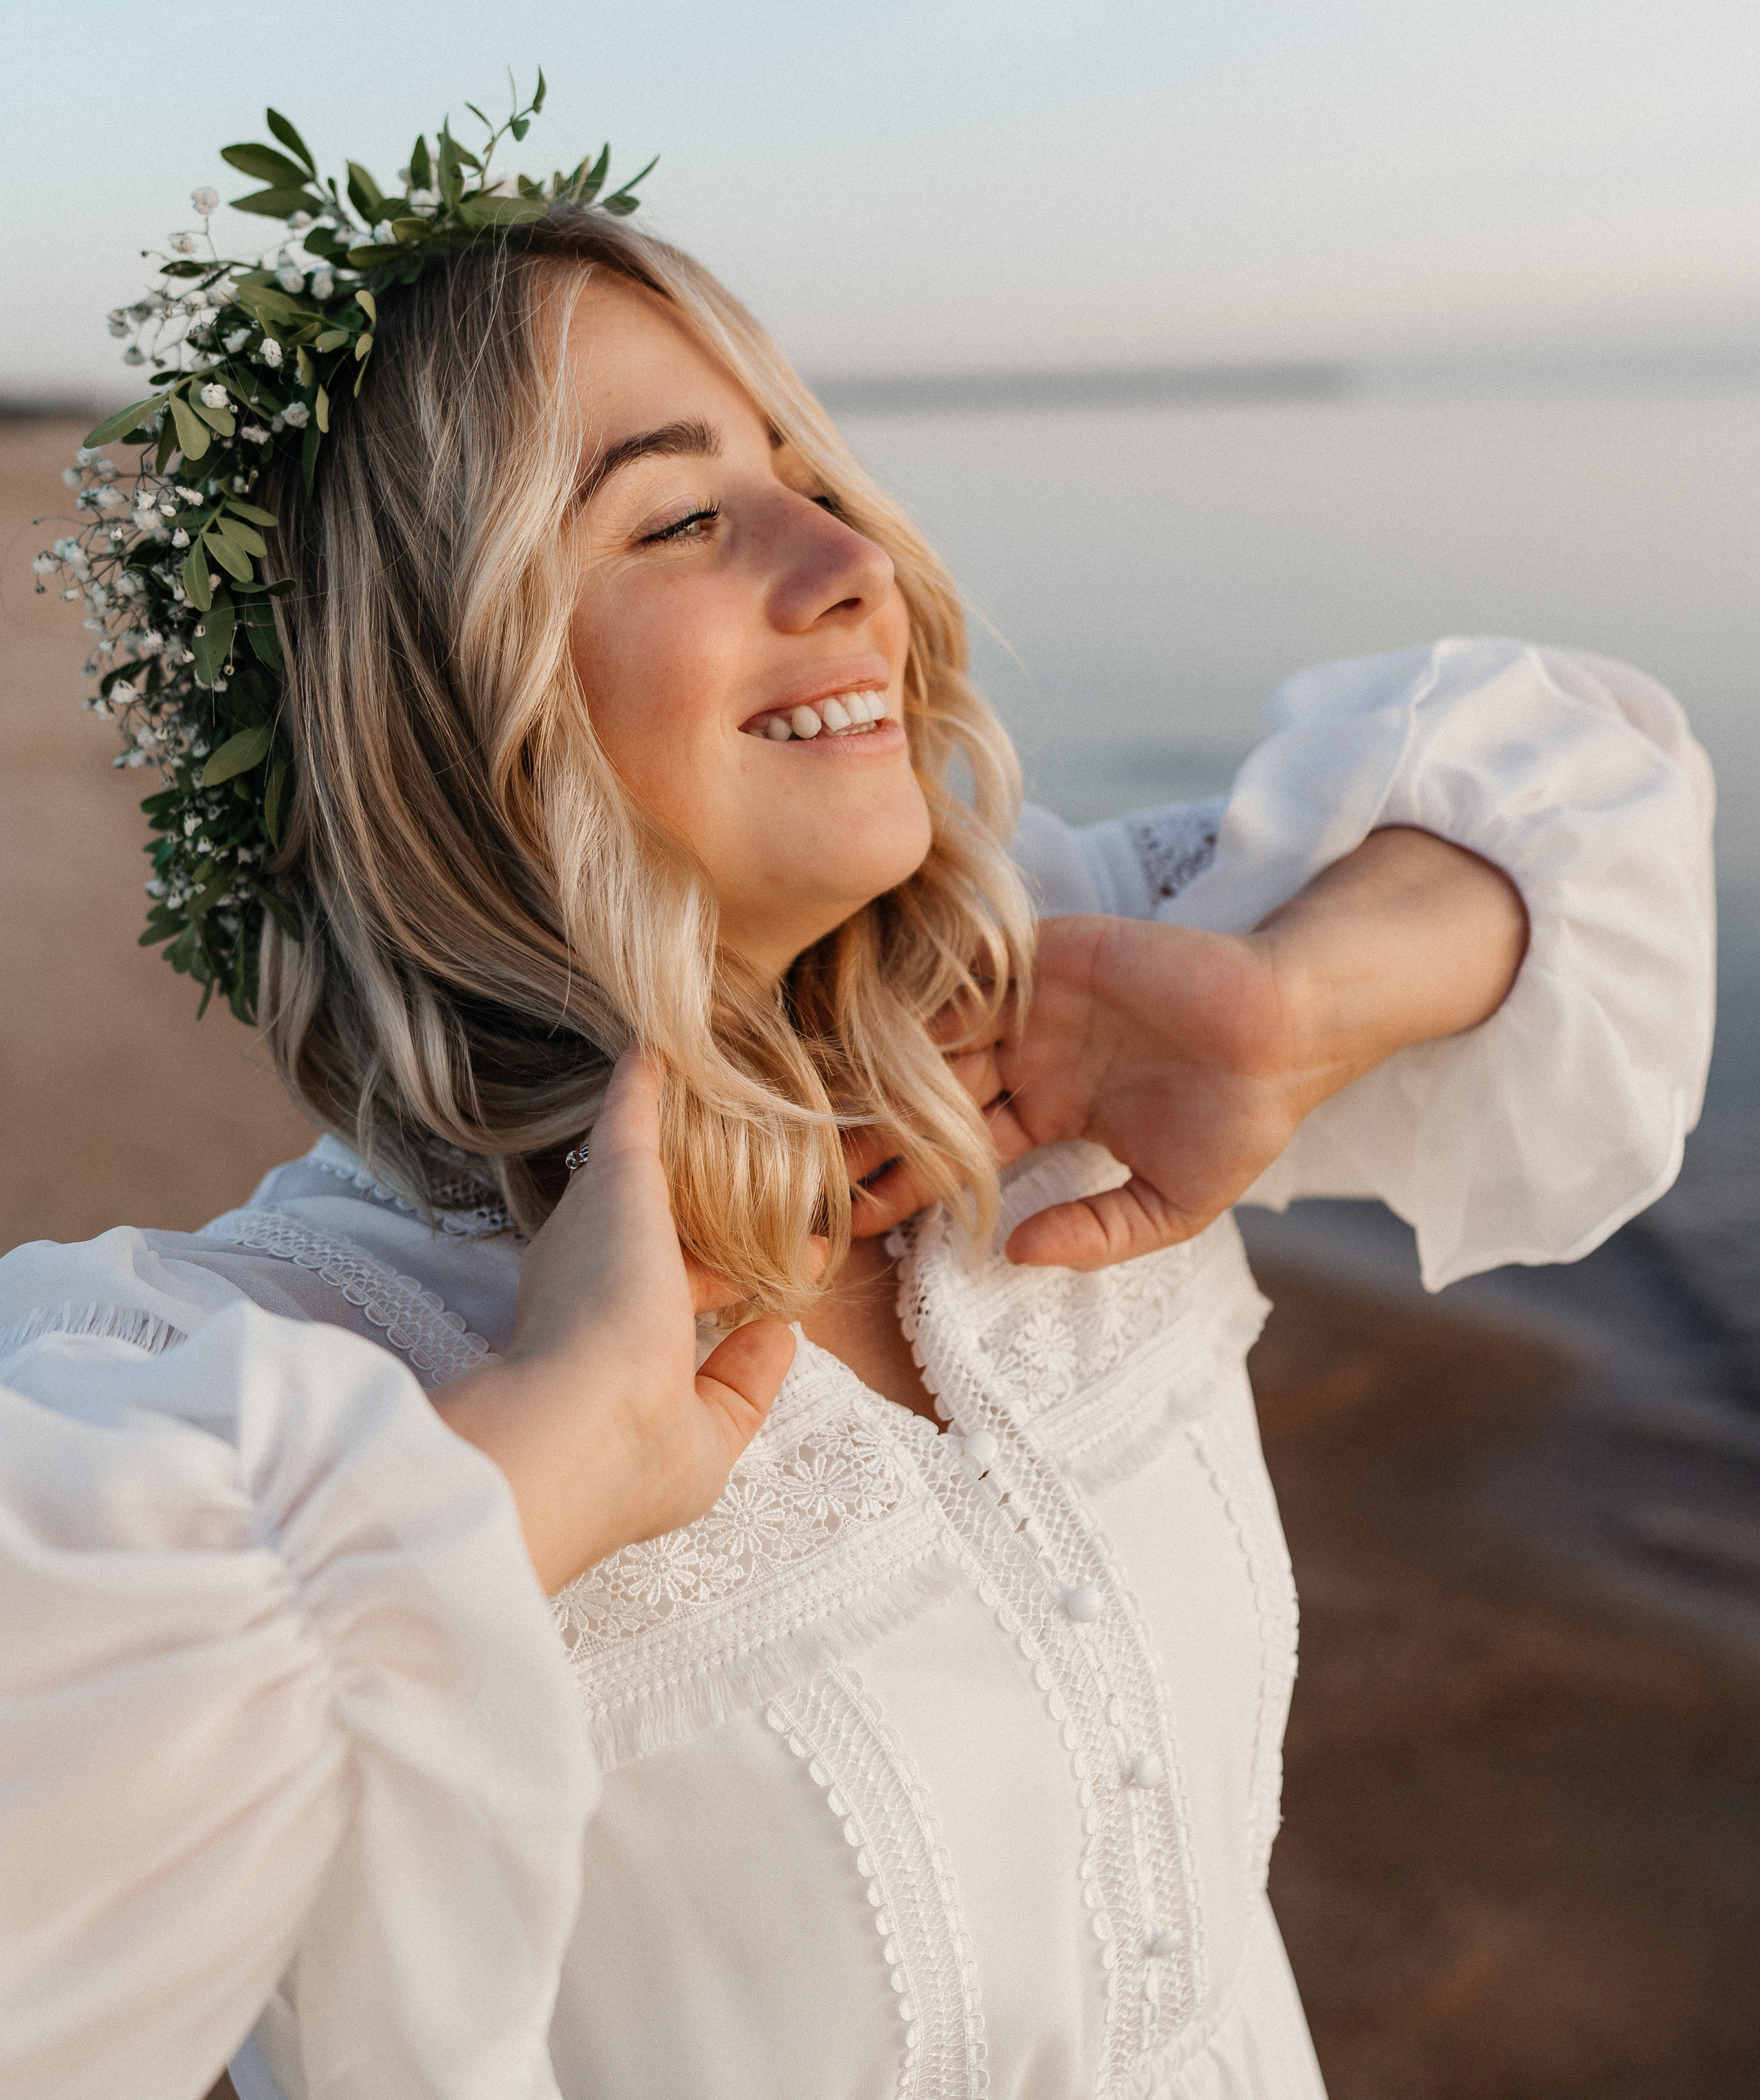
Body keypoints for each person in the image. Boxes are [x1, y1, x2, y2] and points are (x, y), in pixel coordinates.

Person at [0, 107, 1715, 2100]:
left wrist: (1286, 1007)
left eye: (809, 476)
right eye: (677, 518)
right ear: (439, 706)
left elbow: (1586, 786)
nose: (857, 567)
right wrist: (533, 1472)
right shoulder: (259, 1379)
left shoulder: (1042, 1005)